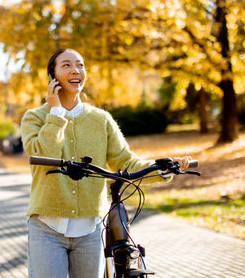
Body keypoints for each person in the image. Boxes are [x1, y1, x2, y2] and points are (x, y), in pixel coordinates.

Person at [20, 48, 191, 278]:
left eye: (80, 64)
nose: (75, 70)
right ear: (52, 77)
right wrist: (56, 113)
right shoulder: (36, 118)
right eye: (66, 65)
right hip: (46, 229)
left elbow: (126, 161)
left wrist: (163, 168)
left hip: (90, 231)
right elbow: (42, 154)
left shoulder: (101, 120)